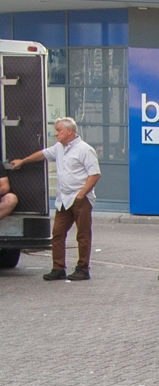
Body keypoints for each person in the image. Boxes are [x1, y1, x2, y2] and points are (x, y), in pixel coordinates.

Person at [4, 117, 100, 281]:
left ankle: (83, 269)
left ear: (69, 132)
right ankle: (58, 268)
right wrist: (23, 161)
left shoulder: (85, 149)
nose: (56, 134)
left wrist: (82, 194)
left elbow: (95, 174)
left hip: (79, 199)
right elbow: (42, 154)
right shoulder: (59, 147)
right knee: (57, 233)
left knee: (82, 235)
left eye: (59, 130)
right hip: (63, 199)